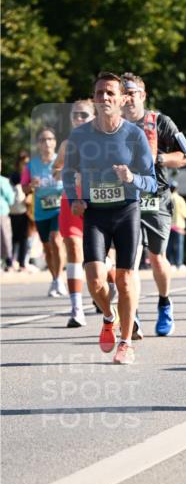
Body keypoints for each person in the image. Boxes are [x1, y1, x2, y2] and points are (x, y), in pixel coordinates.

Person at [62, 71, 157, 365]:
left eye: (110, 93)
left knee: (126, 281)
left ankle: (125, 343)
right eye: (99, 92)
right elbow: (68, 172)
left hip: (127, 210)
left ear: (122, 100)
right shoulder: (80, 135)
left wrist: (131, 178)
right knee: (94, 280)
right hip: (95, 213)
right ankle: (108, 315)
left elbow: (152, 182)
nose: (104, 97)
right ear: (94, 98)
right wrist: (74, 199)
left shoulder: (134, 135)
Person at [121, 72, 186, 337]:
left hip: (156, 196)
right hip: (125, 197)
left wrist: (157, 159)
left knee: (156, 257)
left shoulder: (160, 122)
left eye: (132, 93)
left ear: (143, 95)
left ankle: (164, 303)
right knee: (129, 260)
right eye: (123, 93)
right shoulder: (111, 124)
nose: (128, 98)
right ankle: (133, 315)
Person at [52, 99, 96, 326]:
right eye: (75, 115)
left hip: (97, 203)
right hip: (70, 201)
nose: (79, 119)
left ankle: (106, 291)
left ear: (94, 117)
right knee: (73, 248)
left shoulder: (104, 142)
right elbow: (56, 169)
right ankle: (77, 309)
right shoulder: (66, 144)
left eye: (84, 115)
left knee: (101, 259)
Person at [21, 126, 67, 297]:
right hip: (41, 211)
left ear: (55, 142)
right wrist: (31, 185)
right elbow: (24, 189)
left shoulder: (62, 162)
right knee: (47, 248)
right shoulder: (31, 165)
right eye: (43, 140)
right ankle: (54, 279)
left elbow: (75, 181)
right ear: (38, 144)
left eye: (50, 139)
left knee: (56, 240)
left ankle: (60, 279)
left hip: (59, 209)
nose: (47, 142)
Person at [167, 182, 186, 269]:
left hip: (169, 226)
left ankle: (170, 263)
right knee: (179, 246)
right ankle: (179, 264)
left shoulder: (167, 198)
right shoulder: (180, 199)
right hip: (179, 226)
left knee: (169, 245)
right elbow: (185, 214)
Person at [0, 162, 14, 269]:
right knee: (5, 237)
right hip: (2, 213)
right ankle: (7, 261)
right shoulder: (3, 181)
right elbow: (11, 199)